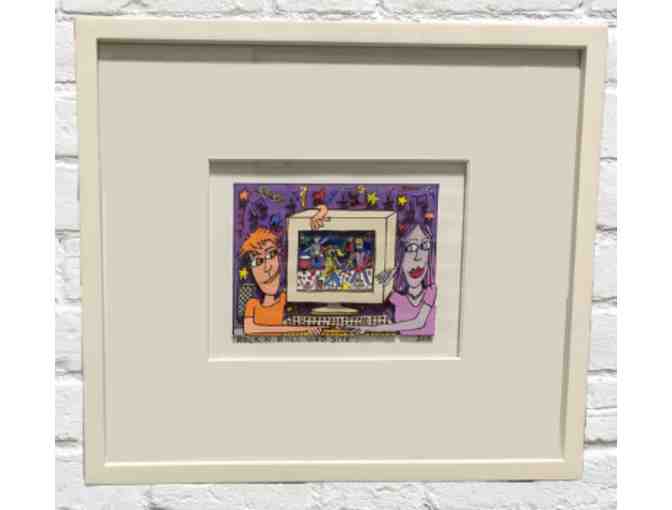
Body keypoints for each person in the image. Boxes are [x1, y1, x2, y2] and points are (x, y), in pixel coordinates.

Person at [357, 223, 437, 336]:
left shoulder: (431, 290)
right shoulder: (396, 296)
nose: (418, 257)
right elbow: (376, 284)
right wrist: (394, 268)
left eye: (425, 246)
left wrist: (372, 329)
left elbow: (418, 322)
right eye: (411, 248)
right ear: (400, 253)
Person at [241, 228, 320, 336]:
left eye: (271, 254)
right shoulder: (252, 304)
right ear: (250, 271)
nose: (267, 267)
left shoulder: (286, 299)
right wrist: (303, 329)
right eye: (258, 261)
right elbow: (249, 329)